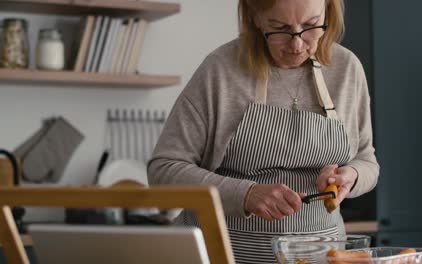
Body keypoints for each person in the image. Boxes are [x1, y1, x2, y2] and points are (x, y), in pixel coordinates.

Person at [147, 0, 379, 262]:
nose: (297, 44)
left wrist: (351, 176)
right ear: (255, 16)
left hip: (322, 255)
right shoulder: (220, 70)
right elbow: (163, 171)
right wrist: (245, 194)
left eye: (312, 26)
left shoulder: (347, 68)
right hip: (222, 254)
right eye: (279, 27)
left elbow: (367, 160)